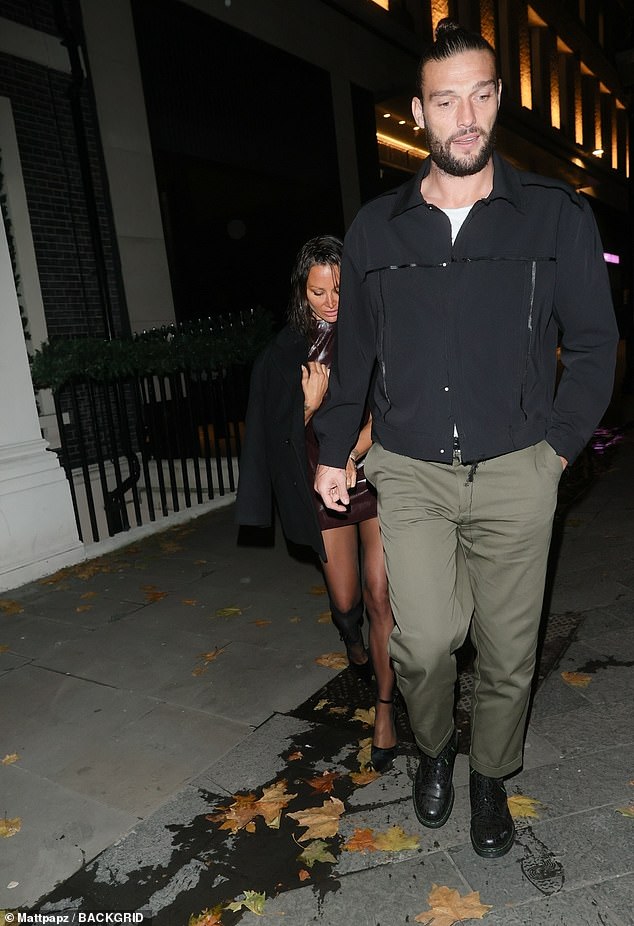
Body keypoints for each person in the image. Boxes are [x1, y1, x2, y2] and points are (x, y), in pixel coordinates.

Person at [314, 20, 618, 858]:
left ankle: (488, 776)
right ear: (420, 112)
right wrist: (333, 451)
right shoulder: (378, 230)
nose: (466, 115)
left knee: (511, 652)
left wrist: (555, 450)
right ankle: (433, 749)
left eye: (481, 95)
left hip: (519, 466)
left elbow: (593, 346)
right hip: (409, 470)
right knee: (423, 641)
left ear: (497, 102)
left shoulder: (554, 217)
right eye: (446, 101)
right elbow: (354, 360)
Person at [236, 235, 397, 771]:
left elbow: (399, 405)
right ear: (302, 294)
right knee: (349, 603)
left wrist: (355, 445)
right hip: (322, 489)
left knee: (381, 598)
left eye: (339, 289)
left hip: (373, 479)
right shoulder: (284, 355)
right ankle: (350, 638)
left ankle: (384, 707)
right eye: (318, 292)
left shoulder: (377, 334)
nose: (331, 302)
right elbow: (274, 438)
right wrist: (305, 408)